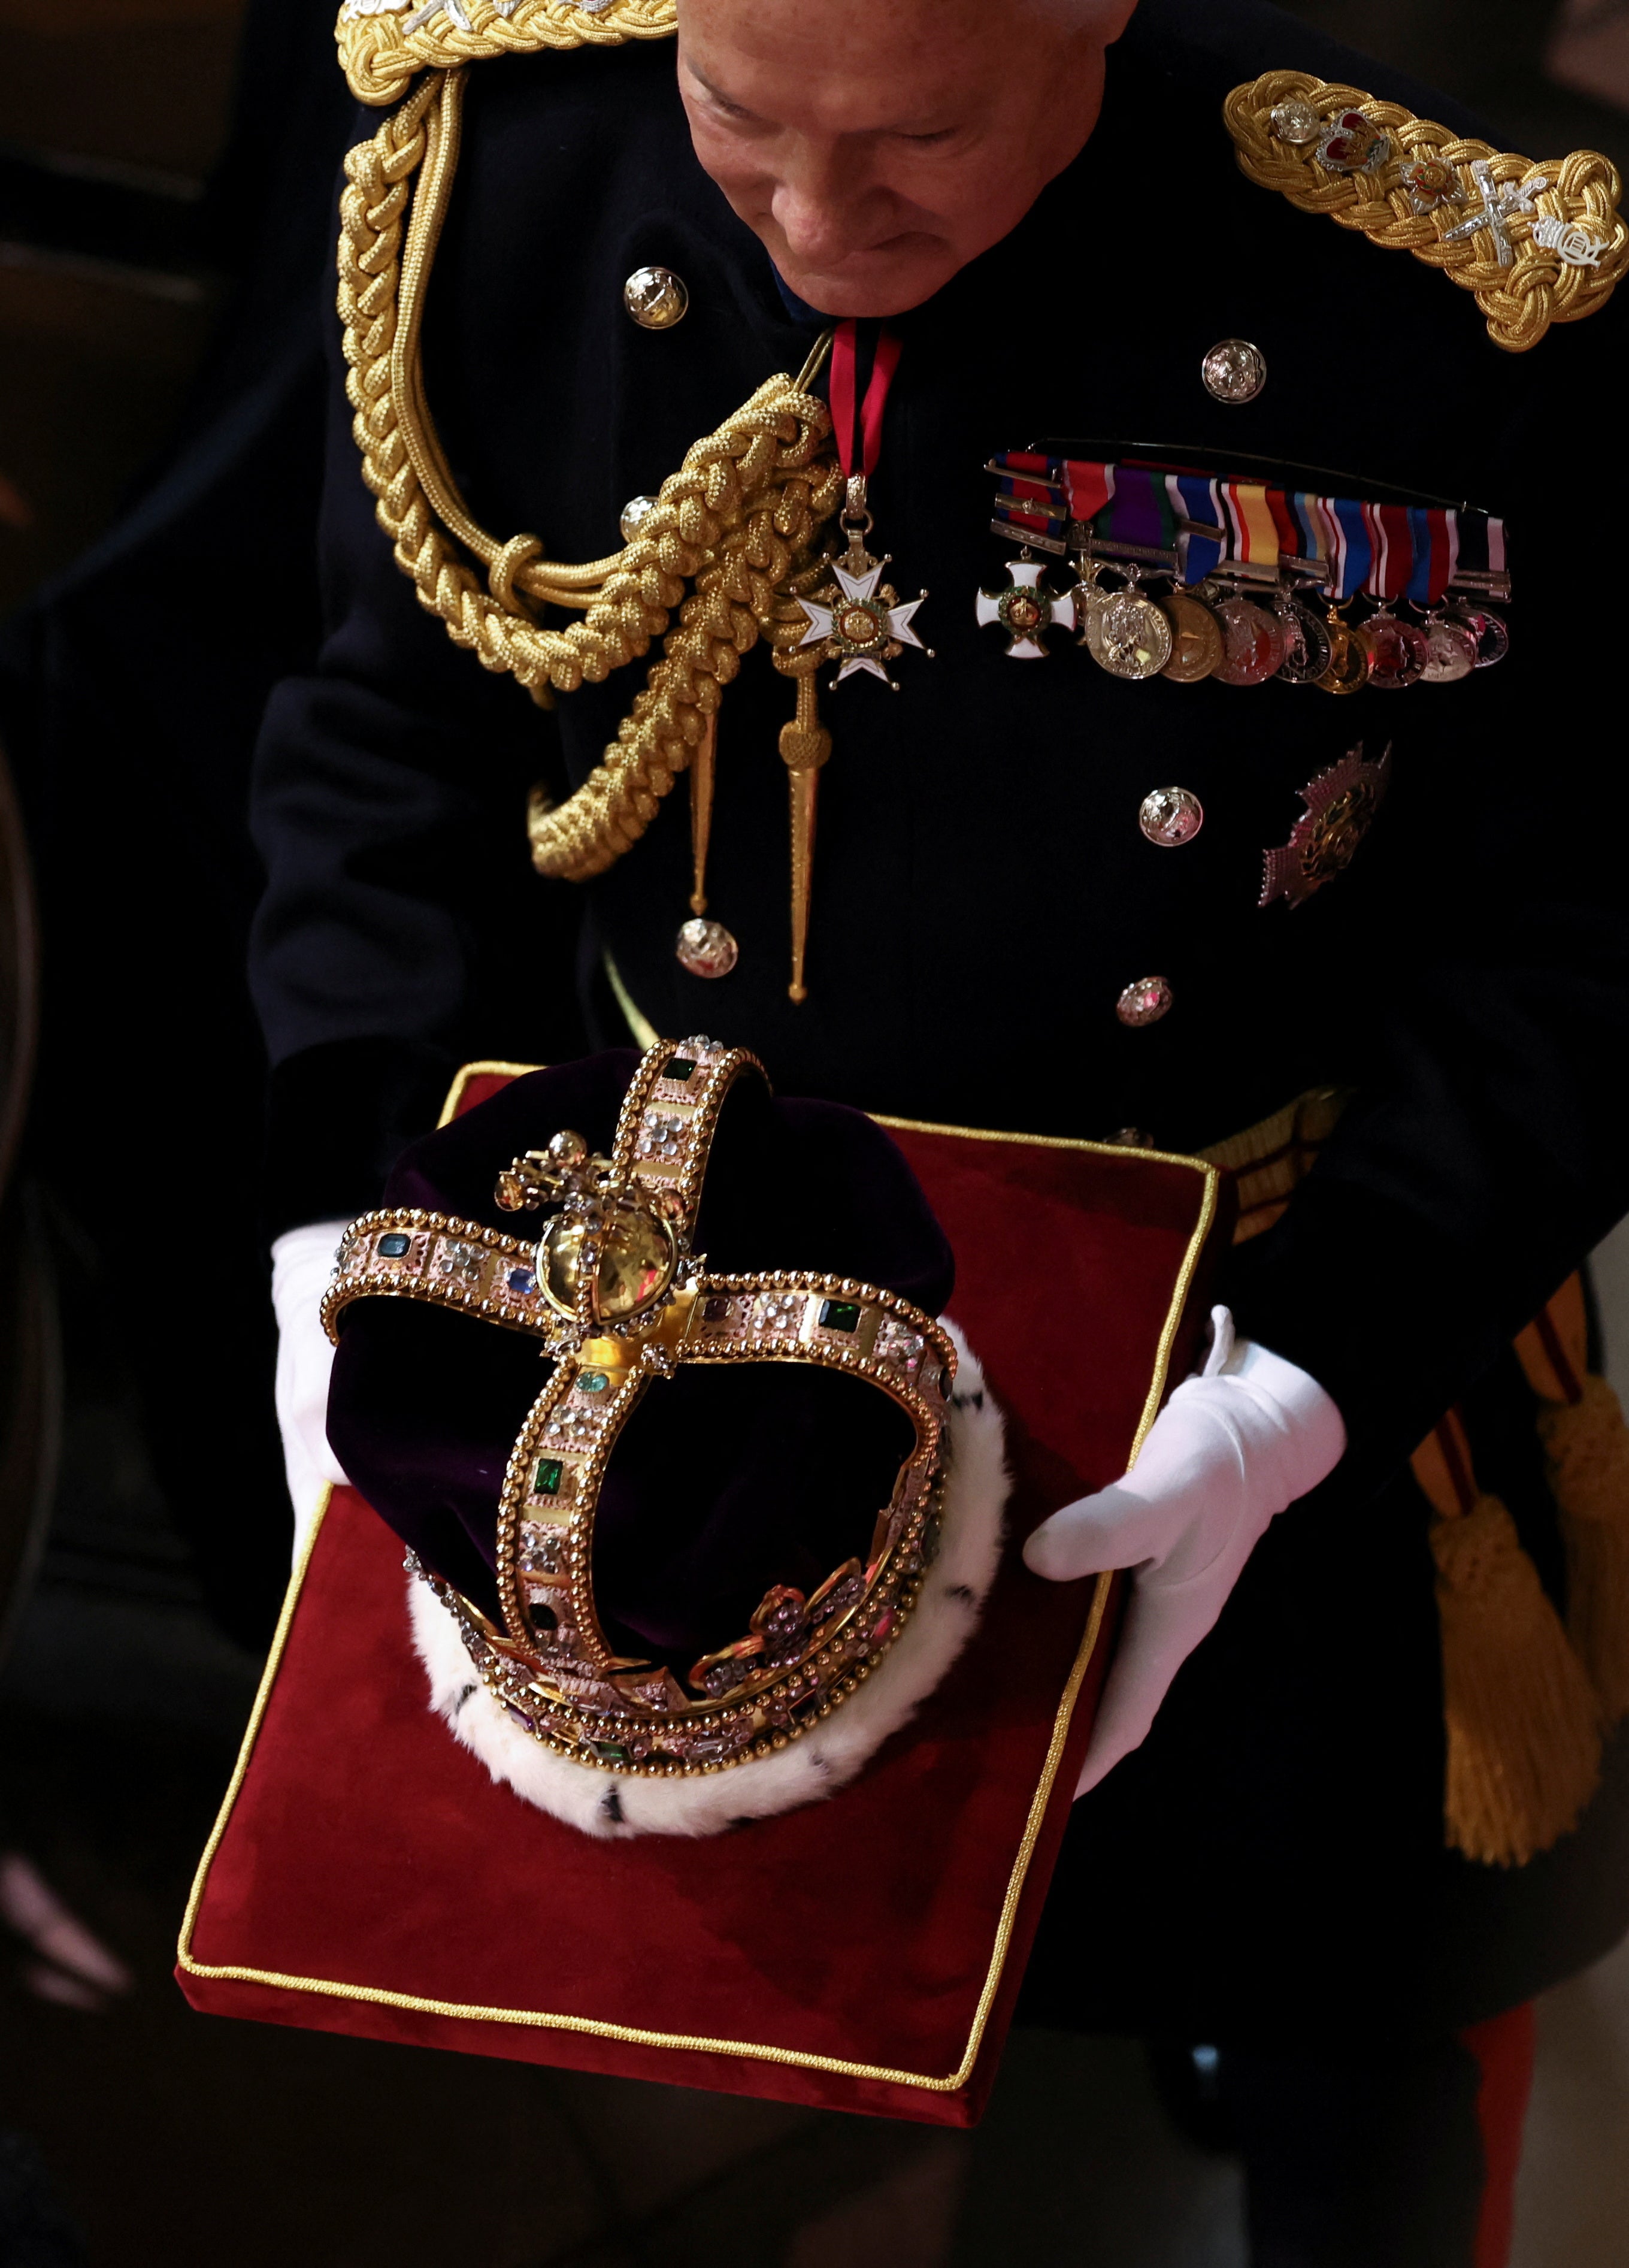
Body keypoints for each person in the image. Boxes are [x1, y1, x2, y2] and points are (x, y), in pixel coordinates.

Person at [255, 0, 1629, 2258]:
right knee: (738, 2042)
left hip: (1256, 1299)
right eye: (741, 124)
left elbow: (1576, 934)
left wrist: (1314, 1381)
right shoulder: (510, 156)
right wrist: (328, 1211)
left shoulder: (1418, 287)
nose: (812, 227)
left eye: (915, 144)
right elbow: (378, 744)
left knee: (1356, 2059)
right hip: (680, 1362)